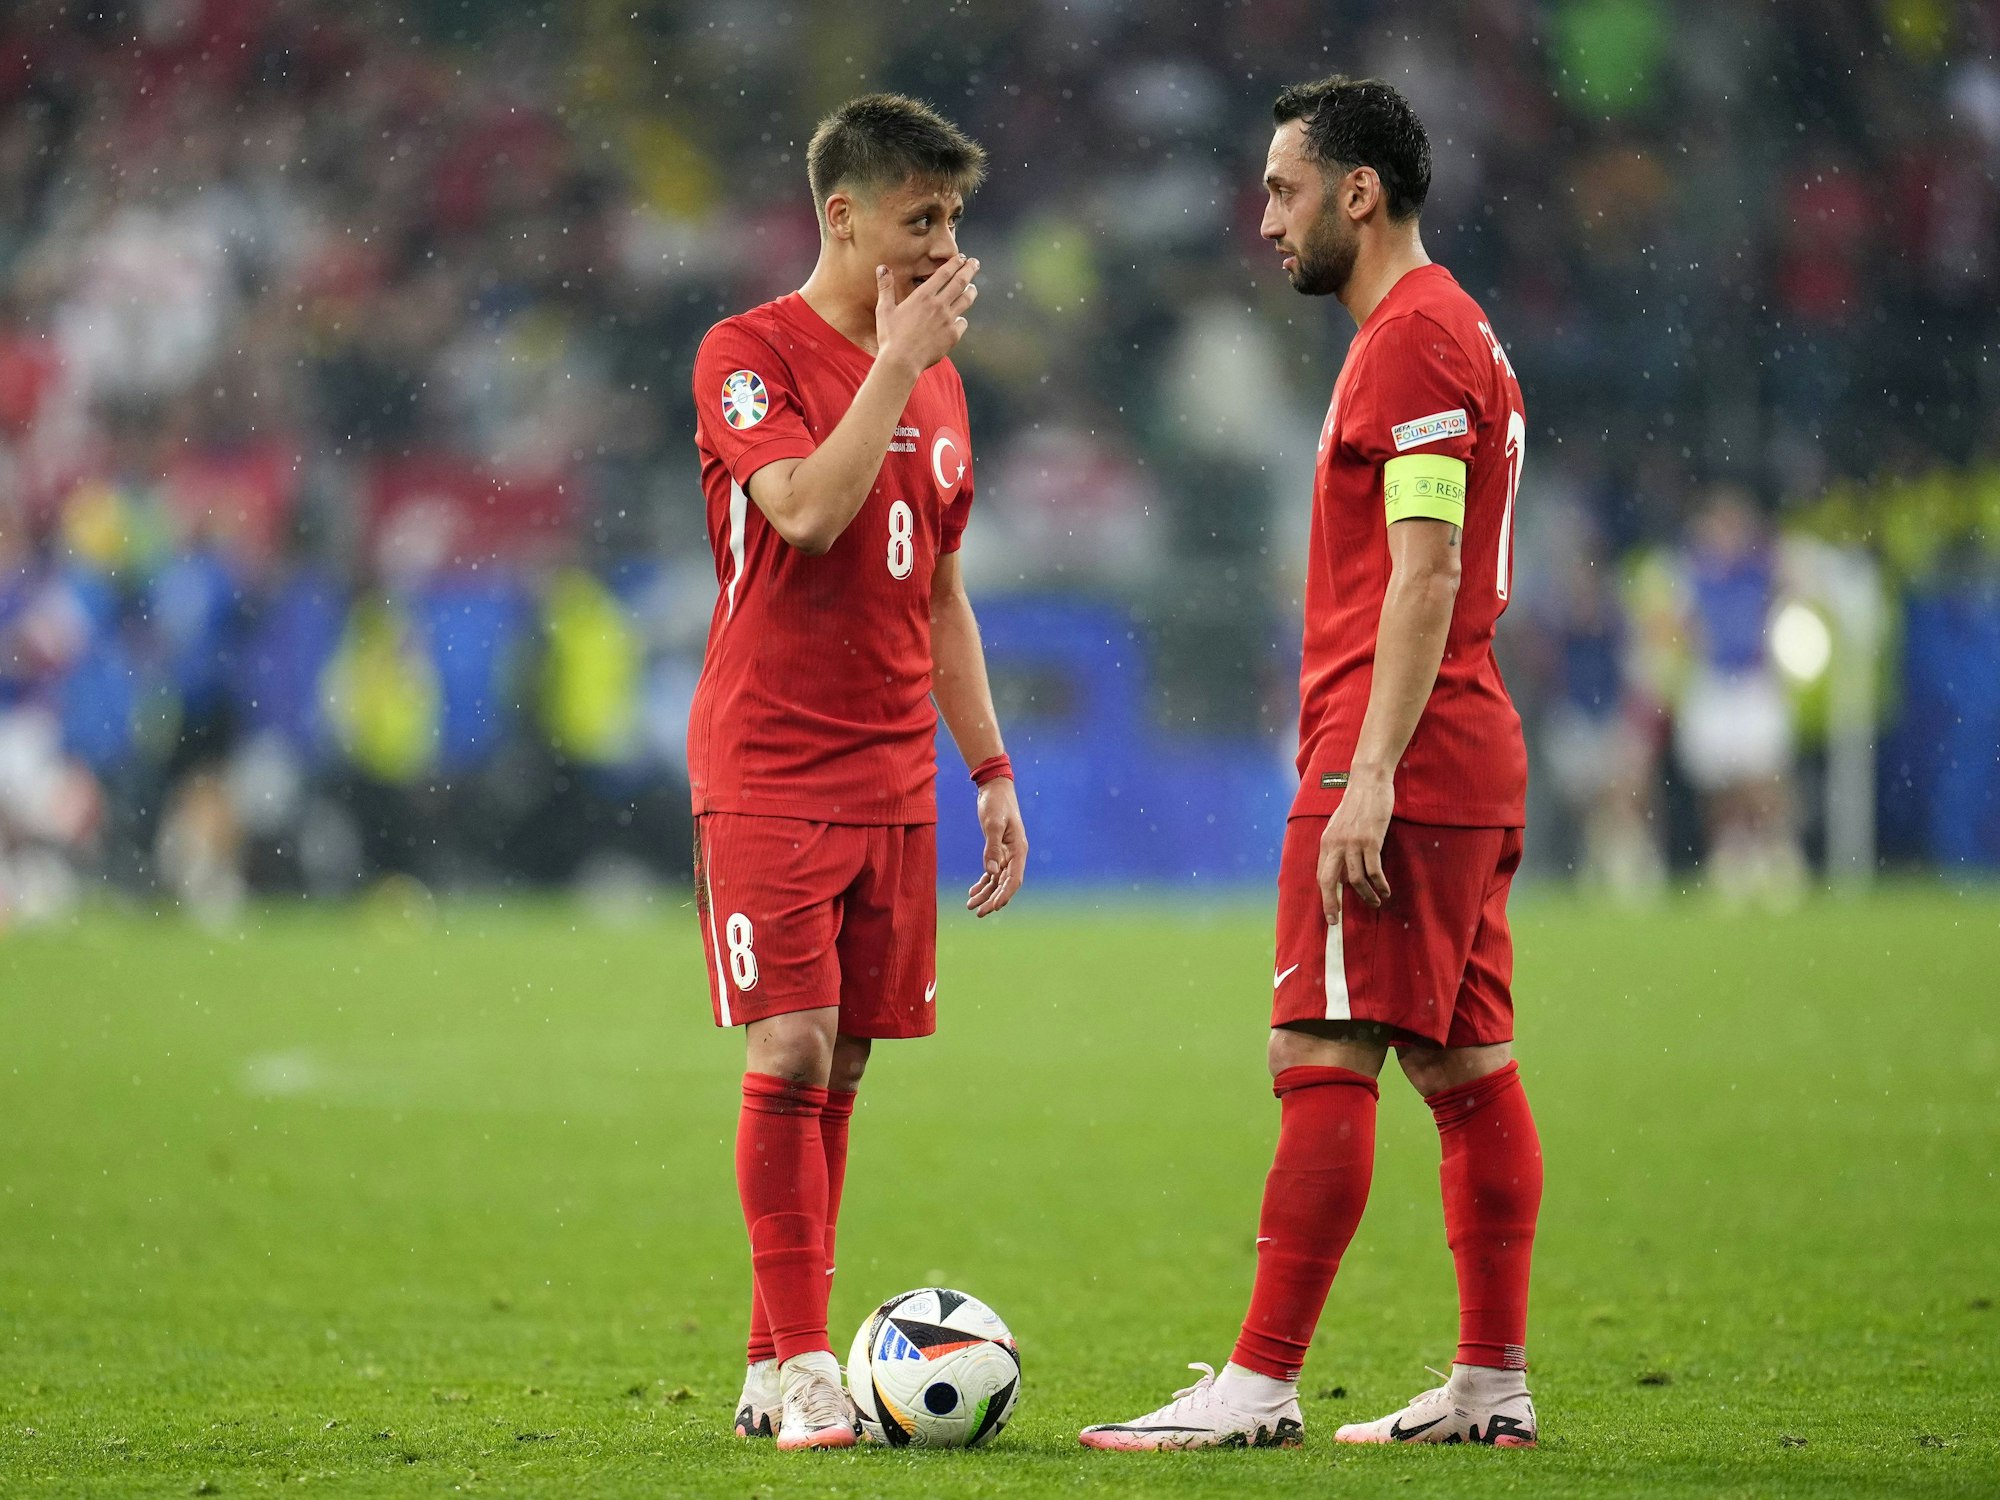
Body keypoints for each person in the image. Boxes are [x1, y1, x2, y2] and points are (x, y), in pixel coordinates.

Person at [1080, 75, 1541, 1452]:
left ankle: (1259, 1383)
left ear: (1359, 191)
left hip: (1401, 754)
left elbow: (1427, 572)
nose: (1267, 219)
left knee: (1319, 1048)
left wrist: (1369, 773)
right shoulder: (1456, 330)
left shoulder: (1412, 344)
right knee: (1467, 1070)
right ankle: (1491, 1386)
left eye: (1284, 190)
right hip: (1466, 745)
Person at [686, 93, 1027, 1452]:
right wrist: (892, 363)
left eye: (954, 219)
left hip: (894, 774)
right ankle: (811, 1363)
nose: (945, 245)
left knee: (843, 1065)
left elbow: (942, 593)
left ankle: (771, 1360)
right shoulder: (748, 354)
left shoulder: (939, 380)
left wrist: (989, 767)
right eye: (919, 218)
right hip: (768, 756)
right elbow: (808, 512)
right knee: (790, 1042)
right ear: (842, 216)